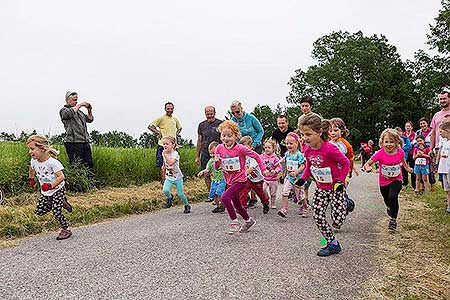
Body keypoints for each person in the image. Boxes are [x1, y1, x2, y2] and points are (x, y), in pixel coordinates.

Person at [296, 115, 350, 257]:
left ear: (319, 132)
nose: (305, 138)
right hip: (321, 187)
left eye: (308, 134)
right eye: (302, 134)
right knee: (318, 215)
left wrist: (340, 180)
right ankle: (332, 243)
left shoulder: (330, 149)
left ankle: (346, 203)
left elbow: (346, 163)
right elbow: (309, 166)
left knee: (337, 219)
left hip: (335, 187)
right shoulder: (307, 150)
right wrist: (303, 179)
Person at [213, 120, 269, 234]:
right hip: (229, 180)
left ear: (236, 136)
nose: (226, 138)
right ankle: (248, 220)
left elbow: (257, 156)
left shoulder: (240, 148)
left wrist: (263, 169)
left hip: (240, 180)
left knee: (224, 198)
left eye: (229, 136)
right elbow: (216, 167)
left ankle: (234, 222)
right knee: (237, 205)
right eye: (224, 135)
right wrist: (216, 162)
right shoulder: (219, 148)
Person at [363, 129, 413, 232]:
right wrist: (368, 167)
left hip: (396, 179)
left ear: (397, 142)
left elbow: (403, 162)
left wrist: (408, 169)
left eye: (391, 142)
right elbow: (367, 163)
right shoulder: (380, 153)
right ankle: (389, 207)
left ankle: (393, 220)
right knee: (387, 199)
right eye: (386, 142)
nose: (389, 144)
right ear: (382, 142)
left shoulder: (400, 152)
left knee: (393, 196)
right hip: (383, 181)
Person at [27, 135, 72, 240]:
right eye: (29, 149)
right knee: (39, 211)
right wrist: (31, 179)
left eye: (32, 149)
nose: (30, 152)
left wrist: (51, 185)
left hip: (57, 189)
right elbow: (31, 169)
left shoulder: (53, 162)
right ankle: (62, 202)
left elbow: (61, 177)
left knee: (56, 211)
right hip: (45, 191)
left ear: (42, 148)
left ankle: (66, 229)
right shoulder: (34, 160)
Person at [60, 91, 94, 173]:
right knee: (76, 165)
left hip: (84, 141)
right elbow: (69, 113)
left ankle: (90, 183)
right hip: (73, 142)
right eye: (74, 100)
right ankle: (78, 184)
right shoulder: (64, 110)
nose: (76, 102)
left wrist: (89, 110)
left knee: (89, 164)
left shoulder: (80, 112)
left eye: (76, 100)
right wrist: (81, 105)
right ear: (67, 100)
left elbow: (90, 119)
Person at [148, 102, 182, 182]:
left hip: (173, 146)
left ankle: (173, 180)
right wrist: (158, 133)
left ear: (173, 109)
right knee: (163, 165)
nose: (170, 110)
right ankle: (164, 182)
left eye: (171, 109)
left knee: (174, 164)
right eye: (168, 109)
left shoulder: (175, 119)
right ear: (165, 109)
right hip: (163, 145)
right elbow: (150, 126)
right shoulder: (161, 118)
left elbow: (179, 128)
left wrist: (176, 134)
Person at [277, 132, 308, 218]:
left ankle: (306, 206)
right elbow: (285, 161)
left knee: (300, 196)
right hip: (289, 177)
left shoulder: (299, 155)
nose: (288, 145)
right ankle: (284, 209)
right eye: (287, 143)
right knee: (284, 192)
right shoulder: (287, 153)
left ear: (296, 143)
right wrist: (279, 164)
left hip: (298, 179)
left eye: (291, 143)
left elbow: (303, 166)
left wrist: (296, 172)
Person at [329, 118, 356, 212]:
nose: (332, 133)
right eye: (330, 130)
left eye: (335, 130)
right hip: (331, 173)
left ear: (342, 131)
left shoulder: (346, 145)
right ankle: (344, 203)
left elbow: (351, 160)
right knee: (334, 192)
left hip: (344, 173)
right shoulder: (327, 142)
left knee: (339, 190)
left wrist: (350, 173)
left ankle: (348, 204)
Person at [238, 136, 270, 214]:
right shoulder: (242, 156)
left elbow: (251, 168)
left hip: (257, 179)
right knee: (243, 191)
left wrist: (244, 174)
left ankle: (265, 203)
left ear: (251, 147)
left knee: (260, 193)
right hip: (248, 179)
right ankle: (243, 207)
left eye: (244, 146)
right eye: (241, 147)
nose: (242, 149)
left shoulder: (253, 156)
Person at [195, 106, 223, 193]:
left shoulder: (221, 123)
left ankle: (221, 192)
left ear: (215, 113)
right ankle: (211, 193)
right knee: (206, 173)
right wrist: (197, 156)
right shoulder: (202, 125)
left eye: (211, 114)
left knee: (220, 173)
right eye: (207, 114)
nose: (209, 116)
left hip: (218, 152)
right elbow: (199, 140)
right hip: (205, 152)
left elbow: (224, 138)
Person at [161, 136, 191, 213]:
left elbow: (171, 162)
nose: (165, 146)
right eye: (164, 144)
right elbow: (165, 162)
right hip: (169, 177)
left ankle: (186, 205)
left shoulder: (175, 154)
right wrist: (163, 167)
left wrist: (165, 155)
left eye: (167, 144)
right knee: (165, 190)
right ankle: (169, 198)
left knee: (180, 193)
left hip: (178, 177)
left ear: (173, 145)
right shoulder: (163, 153)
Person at [197, 141, 225, 213]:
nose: (212, 155)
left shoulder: (222, 159)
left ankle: (222, 205)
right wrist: (202, 172)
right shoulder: (210, 161)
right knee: (213, 193)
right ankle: (218, 206)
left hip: (222, 179)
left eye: (214, 153)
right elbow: (208, 169)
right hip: (214, 180)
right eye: (210, 153)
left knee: (219, 192)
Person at [261, 139, 282, 209]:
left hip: (273, 179)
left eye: (269, 147)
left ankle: (273, 203)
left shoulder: (275, 158)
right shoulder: (262, 156)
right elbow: (259, 164)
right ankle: (267, 198)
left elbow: (279, 167)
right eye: (266, 147)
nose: (267, 149)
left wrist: (275, 171)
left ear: (273, 149)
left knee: (273, 193)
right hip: (265, 178)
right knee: (263, 189)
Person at [436, 120, 450, 214]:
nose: (440, 134)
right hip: (444, 168)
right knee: (447, 190)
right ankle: (449, 207)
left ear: (448, 130)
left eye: (442, 131)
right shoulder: (444, 142)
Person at [403, 121, 416, 190]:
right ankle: (405, 183)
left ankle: (414, 185)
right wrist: (410, 144)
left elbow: (415, 143)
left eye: (409, 126)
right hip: (404, 154)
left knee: (412, 168)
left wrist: (408, 145)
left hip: (412, 153)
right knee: (404, 168)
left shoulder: (415, 134)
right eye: (406, 126)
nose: (407, 128)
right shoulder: (402, 135)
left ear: (411, 127)